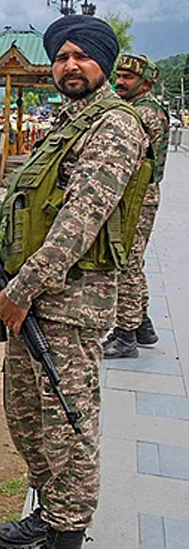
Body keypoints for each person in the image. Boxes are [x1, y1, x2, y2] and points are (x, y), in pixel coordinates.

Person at [0, 15, 149, 549]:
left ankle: (68, 531)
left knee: (68, 421)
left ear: (102, 63)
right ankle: (48, 509)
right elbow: (23, 193)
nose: (70, 65)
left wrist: (22, 290)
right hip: (31, 296)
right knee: (25, 416)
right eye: (61, 57)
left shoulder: (113, 127)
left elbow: (79, 223)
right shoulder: (67, 123)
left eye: (81, 56)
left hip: (69, 303)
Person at [103, 54, 170, 358]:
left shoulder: (143, 114)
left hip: (136, 198)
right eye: (119, 75)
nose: (120, 81)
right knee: (133, 261)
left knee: (125, 262)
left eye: (128, 78)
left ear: (145, 83)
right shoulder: (142, 109)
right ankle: (142, 324)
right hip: (139, 195)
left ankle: (126, 334)